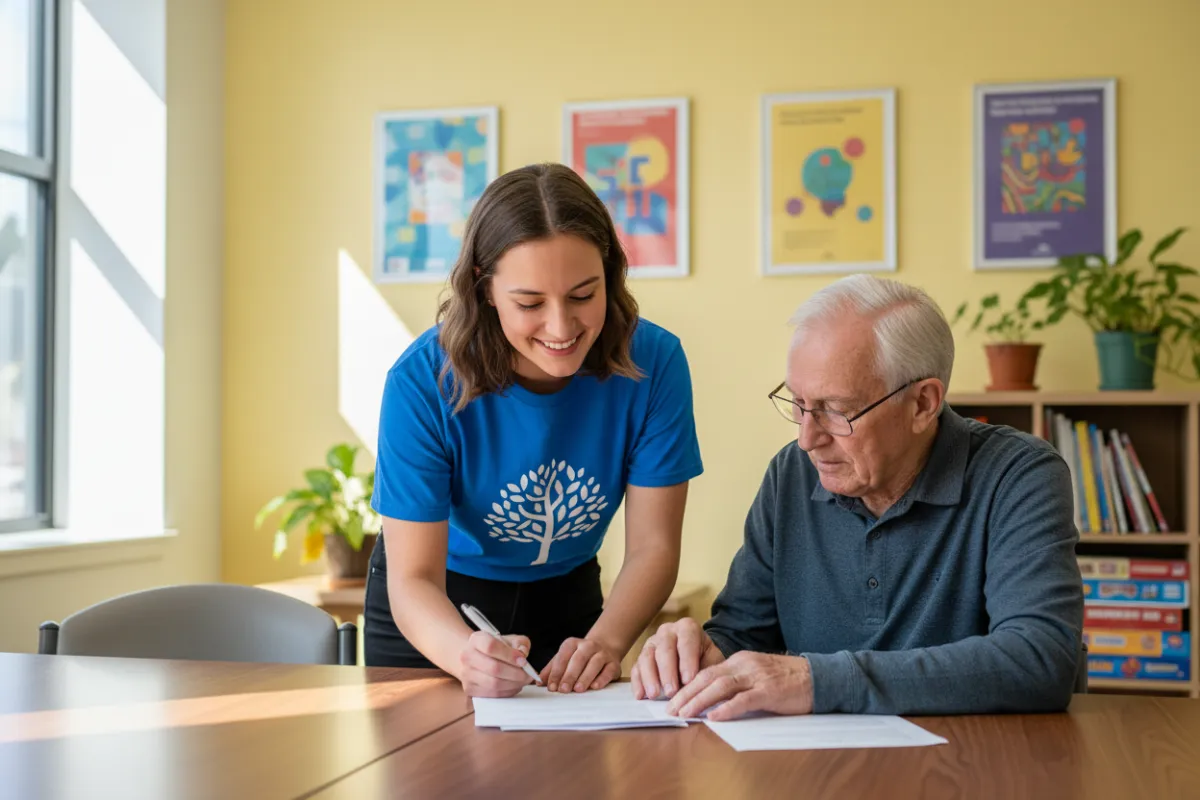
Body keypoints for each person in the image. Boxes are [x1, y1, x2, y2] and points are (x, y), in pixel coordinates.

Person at [631, 274, 1084, 719]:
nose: (807, 439)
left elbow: (1040, 658)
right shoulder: (791, 473)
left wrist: (818, 680)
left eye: (836, 410)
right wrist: (696, 652)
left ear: (923, 404)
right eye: (799, 404)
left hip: (969, 770)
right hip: (819, 771)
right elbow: (742, 636)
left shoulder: (1019, 474)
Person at [364, 162, 704, 699]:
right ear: (484, 288)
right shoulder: (422, 381)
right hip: (435, 608)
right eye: (529, 304)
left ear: (611, 275)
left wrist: (609, 642)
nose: (562, 328)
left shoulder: (655, 364)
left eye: (583, 295)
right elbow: (414, 580)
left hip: (567, 600)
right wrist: (462, 655)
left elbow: (654, 547)